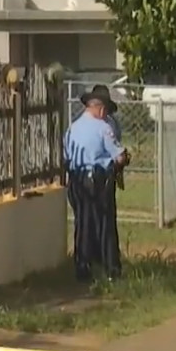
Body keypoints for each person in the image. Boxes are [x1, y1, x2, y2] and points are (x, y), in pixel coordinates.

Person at [64, 88, 130, 282]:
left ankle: (82, 267)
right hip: (98, 182)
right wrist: (123, 160)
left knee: (82, 224)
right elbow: (118, 157)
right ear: (101, 110)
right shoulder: (104, 128)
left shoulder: (72, 128)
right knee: (105, 226)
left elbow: (66, 157)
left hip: (76, 182)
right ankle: (111, 269)